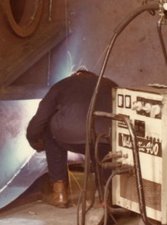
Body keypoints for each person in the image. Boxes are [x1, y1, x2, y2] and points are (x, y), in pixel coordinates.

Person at [26, 70, 117, 208]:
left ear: (75, 75)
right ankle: (109, 195)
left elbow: (39, 120)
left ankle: (59, 193)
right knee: (102, 152)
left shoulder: (62, 85)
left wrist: (36, 143)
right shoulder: (109, 84)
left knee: (50, 130)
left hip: (71, 137)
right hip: (106, 137)